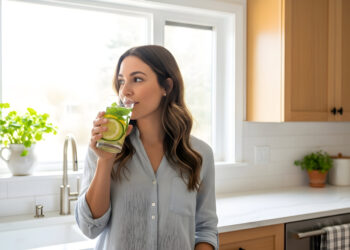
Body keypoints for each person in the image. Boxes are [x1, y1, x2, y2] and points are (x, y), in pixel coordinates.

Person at [75, 45, 218, 250]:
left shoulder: (200, 154)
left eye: (138, 79)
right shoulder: (103, 148)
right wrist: (105, 161)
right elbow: (90, 227)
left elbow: (205, 228)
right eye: (122, 81)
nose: (125, 90)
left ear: (166, 87)